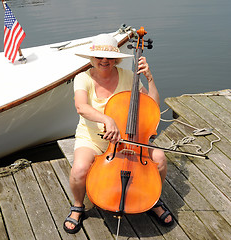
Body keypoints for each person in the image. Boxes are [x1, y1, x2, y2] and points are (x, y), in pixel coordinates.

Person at [63, 34, 174, 234]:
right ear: (92, 58)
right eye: (99, 57)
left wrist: (150, 78)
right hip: (93, 139)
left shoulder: (130, 77)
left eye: (109, 58)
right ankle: (78, 206)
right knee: (79, 169)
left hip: (128, 140)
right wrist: (107, 119)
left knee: (159, 158)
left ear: (116, 59)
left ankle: (154, 200)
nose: (104, 61)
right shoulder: (83, 78)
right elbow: (81, 107)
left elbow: (152, 106)